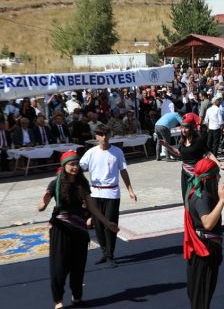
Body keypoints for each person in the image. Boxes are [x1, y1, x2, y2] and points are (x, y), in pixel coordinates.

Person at [38, 151, 119, 309]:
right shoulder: (55, 183)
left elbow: (91, 206)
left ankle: (77, 297)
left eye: (77, 164)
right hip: (60, 229)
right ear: (64, 166)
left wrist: (106, 222)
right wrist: (42, 204)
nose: (75, 167)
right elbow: (43, 202)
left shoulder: (82, 183)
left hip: (79, 229)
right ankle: (58, 301)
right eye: (71, 164)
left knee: (78, 265)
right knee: (59, 266)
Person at [79, 124, 137, 267]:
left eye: (106, 134)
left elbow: (123, 171)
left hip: (112, 192)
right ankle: (104, 252)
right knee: (98, 224)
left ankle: (111, 254)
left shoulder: (117, 152)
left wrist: (130, 190)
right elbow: (79, 169)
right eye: (100, 134)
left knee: (110, 223)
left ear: (110, 135)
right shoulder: (91, 153)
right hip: (95, 192)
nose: (104, 137)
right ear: (96, 136)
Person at [183, 158, 224, 309]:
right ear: (210, 178)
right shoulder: (203, 197)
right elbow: (208, 223)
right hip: (205, 251)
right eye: (217, 175)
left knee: (199, 296)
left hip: (202, 249)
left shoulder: (196, 192)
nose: (219, 178)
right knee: (202, 297)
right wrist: (222, 200)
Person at [160, 115, 224, 203]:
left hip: (197, 173)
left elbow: (208, 153)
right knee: (186, 197)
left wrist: (219, 165)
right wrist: (166, 145)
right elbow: (178, 152)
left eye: (186, 128)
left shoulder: (198, 140)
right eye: (182, 128)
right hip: (185, 174)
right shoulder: (182, 141)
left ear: (191, 129)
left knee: (198, 196)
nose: (183, 130)